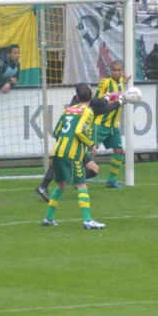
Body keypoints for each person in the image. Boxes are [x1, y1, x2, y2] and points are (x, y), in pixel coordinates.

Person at [35, 82, 124, 202]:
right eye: (89, 89)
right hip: (74, 146)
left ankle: (45, 188)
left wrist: (110, 99)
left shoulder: (77, 103)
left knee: (93, 169)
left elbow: (56, 130)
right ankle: (85, 215)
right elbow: (103, 107)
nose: (91, 91)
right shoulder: (84, 107)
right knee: (65, 170)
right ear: (86, 93)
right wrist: (117, 101)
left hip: (70, 144)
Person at [41, 83, 106, 230]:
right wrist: (91, 144)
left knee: (61, 184)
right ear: (91, 96)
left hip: (57, 151)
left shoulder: (69, 109)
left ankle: (48, 218)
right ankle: (88, 221)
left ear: (77, 97)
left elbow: (57, 131)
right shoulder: (88, 112)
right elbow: (78, 131)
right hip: (72, 154)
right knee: (82, 184)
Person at [94, 60, 129, 189]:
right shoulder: (105, 82)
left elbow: (120, 96)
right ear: (110, 70)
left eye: (119, 70)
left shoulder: (121, 83)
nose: (116, 72)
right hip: (100, 123)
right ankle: (78, 178)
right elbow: (97, 102)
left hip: (114, 126)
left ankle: (111, 180)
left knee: (119, 151)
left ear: (122, 71)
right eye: (114, 70)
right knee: (89, 151)